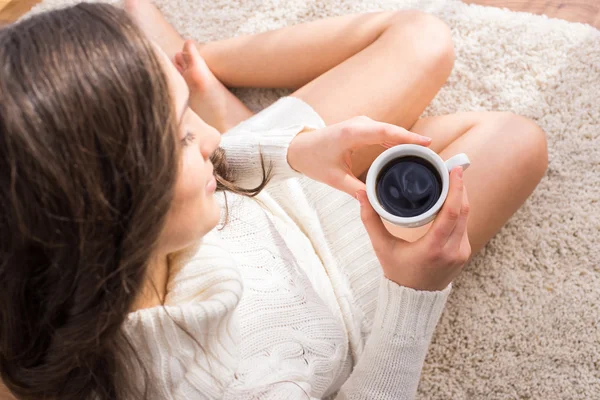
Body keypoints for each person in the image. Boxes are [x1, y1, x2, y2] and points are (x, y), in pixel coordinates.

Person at [0, 1, 548, 399]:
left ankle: (187, 68)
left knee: (423, 36)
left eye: (187, 116)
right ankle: (199, 90)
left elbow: (213, 165)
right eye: (185, 134)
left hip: (260, 191)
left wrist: (296, 151)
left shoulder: (41, 251)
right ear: (116, 215)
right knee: (517, 142)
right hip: (342, 284)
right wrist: (414, 294)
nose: (207, 141)